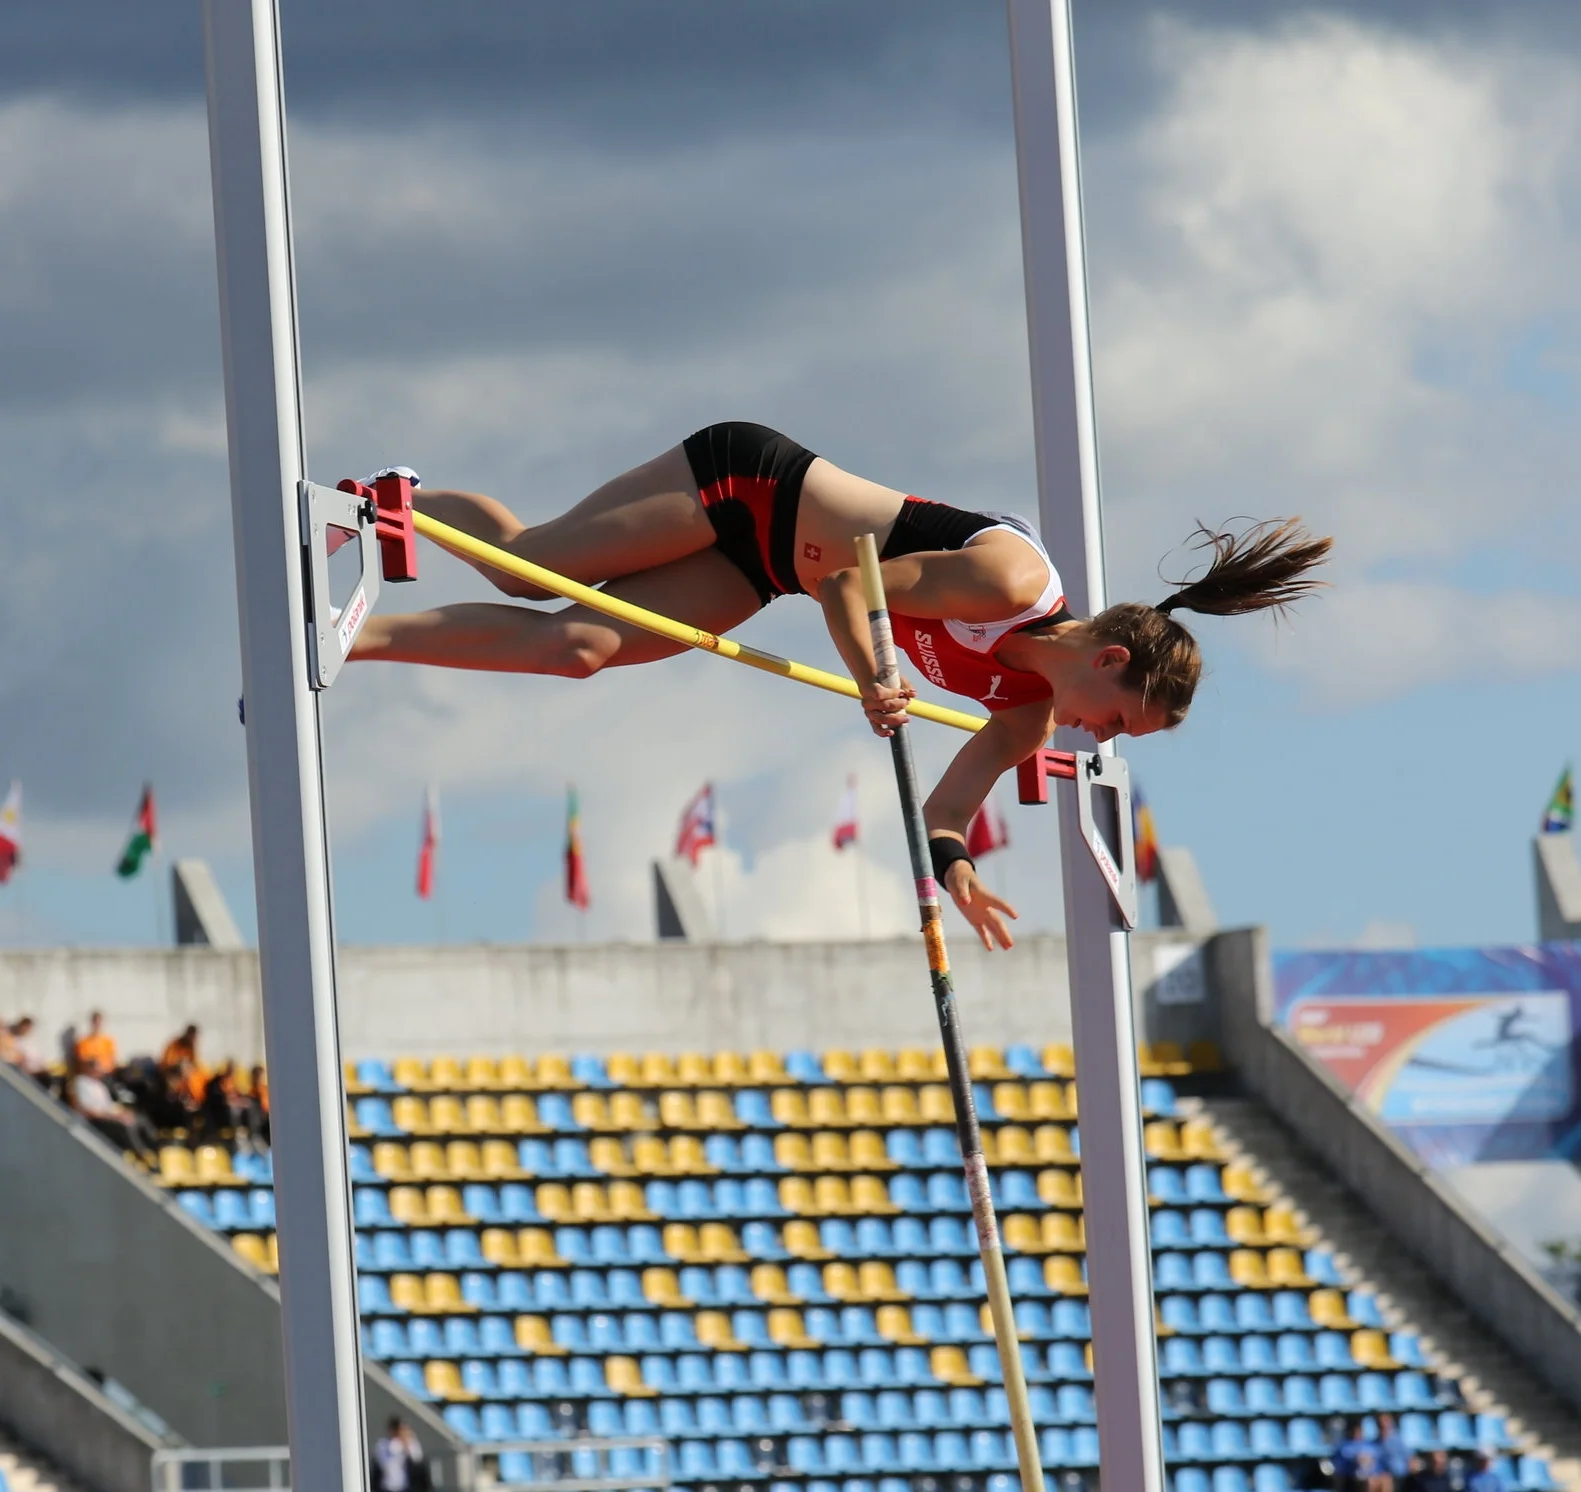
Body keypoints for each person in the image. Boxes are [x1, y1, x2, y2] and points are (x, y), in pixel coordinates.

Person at [350, 425, 1330, 950]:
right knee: (529, 566)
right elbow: (845, 582)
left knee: (577, 648)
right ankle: (391, 500)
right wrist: (877, 678)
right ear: (1108, 660)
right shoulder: (1012, 581)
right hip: (745, 487)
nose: (1095, 738)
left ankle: (354, 638)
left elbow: (948, 805)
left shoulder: (1026, 713)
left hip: (760, 570)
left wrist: (960, 872)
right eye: (1114, 722)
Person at [70, 1058, 159, 1165]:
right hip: (96, 1121)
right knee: (126, 1126)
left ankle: (157, 1148)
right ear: (90, 1069)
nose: (100, 1073)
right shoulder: (81, 1082)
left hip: (108, 1115)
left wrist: (122, 1113)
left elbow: (109, 1105)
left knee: (140, 1118)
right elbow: (88, 1110)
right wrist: (114, 1117)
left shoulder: (99, 1085)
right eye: (97, 1070)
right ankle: (143, 1155)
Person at [372, 1417, 428, 1492]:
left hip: (405, 1487)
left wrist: (407, 1445)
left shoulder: (410, 1443)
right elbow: (384, 1464)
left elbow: (417, 1458)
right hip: (386, 1487)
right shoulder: (383, 1444)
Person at [1332, 1417, 1383, 1492]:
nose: (1357, 1433)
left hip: (1371, 1475)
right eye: (1355, 1430)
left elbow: (1377, 1463)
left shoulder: (1370, 1445)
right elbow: (1341, 1464)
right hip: (1351, 1478)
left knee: (1385, 1479)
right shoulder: (1345, 1446)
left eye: (1359, 1430)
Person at [74, 1010, 119, 1077]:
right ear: (91, 1023)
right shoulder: (83, 1042)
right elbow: (82, 1062)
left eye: (99, 1022)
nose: (97, 1025)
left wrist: (102, 1069)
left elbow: (112, 1062)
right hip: (89, 1076)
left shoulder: (108, 1041)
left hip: (105, 1076)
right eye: (95, 1022)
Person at [1375, 1413, 1412, 1487]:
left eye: (1386, 1422)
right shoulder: (1375, 1443)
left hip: (1398, 1473)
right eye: (1381, 1423)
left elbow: (1409, 1456)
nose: (1384, 1425)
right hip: (1382, 1474)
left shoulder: (1398, 1440)